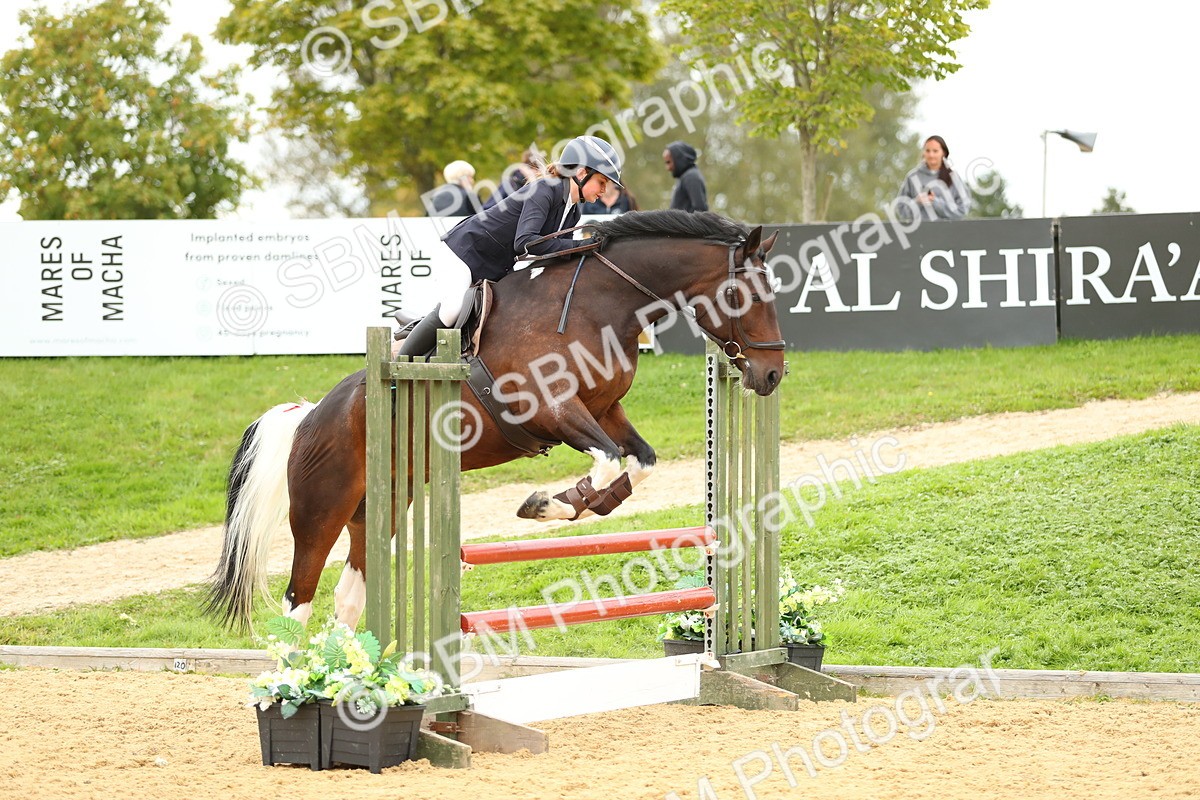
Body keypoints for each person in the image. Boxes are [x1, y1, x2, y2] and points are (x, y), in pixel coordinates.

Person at [396, 135, 623, 356]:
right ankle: (398, 365)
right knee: (452, 309)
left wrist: (593, 252)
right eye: (601, 182)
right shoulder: (545, 189)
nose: (604, 190)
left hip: (495, 265)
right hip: (465, 252)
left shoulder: (573, 212)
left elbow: (559, 254)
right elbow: (526, 242)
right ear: (581, 173)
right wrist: (582, 245)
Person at [895, 135, 970, 221]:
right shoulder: (912, 177)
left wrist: (935, 202)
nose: (931, 155)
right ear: (923, 152)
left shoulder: (953, 177)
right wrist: (917, 202)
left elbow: (962, 210)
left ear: (943, 153)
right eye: (927, 151)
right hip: (919, 229)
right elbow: (901, 210)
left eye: (935, 151)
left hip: (947, 229)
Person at [663, 141, 707, 212]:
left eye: (669, 162)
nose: (668, 168)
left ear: (678, 159)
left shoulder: (691, 177)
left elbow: (700, 209)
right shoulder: (684, 177)